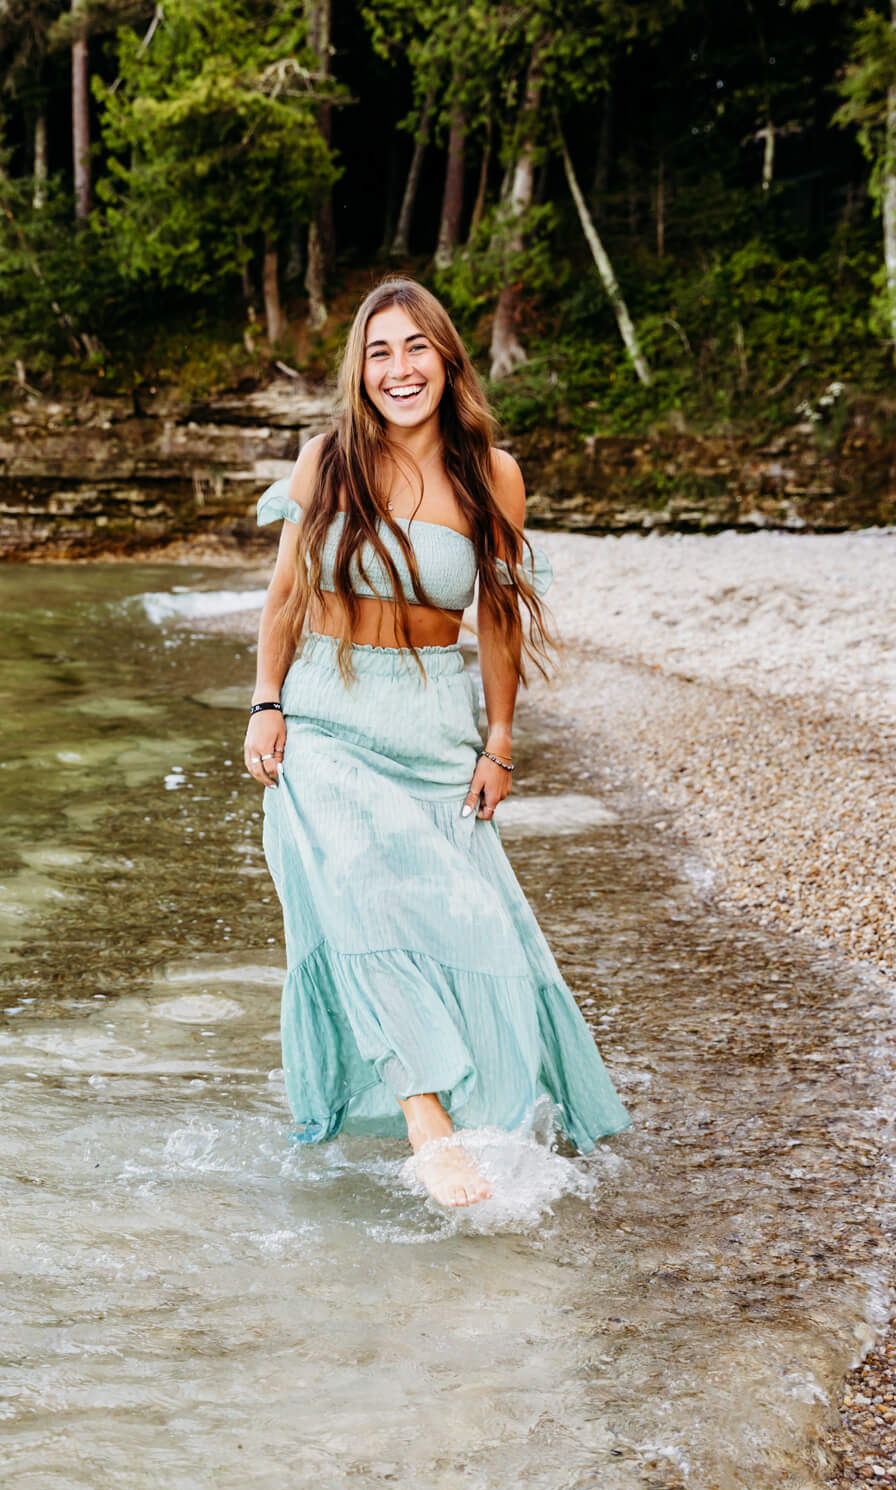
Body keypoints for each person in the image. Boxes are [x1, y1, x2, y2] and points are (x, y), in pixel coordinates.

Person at [246, 276, 631, 1208]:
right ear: (360, 371)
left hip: (429, 724)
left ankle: (497, 1110)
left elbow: (496, 618)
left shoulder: (490, 474)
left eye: (415, 347)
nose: (398, 368)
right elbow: (286, 596)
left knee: (466, 919)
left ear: (446, 359)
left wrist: (498, 745)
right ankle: (425, 1118)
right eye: (378, 352)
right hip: (326, 714)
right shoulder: (326, 458)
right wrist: (266, 701)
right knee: (358, 901)